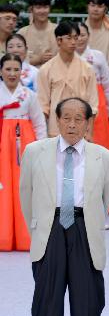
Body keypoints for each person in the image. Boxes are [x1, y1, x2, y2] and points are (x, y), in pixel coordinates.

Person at [20, 97, 109, 316]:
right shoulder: (35, 151)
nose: (72, 124)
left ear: (88, 123)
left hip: (84, 230)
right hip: (50, 232)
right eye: (66, 118)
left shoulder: (104, 157)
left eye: (79, 119)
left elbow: (106, 200)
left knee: (88, 305)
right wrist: (40, 228)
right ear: (57, 121)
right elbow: (27, 195)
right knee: (46, 305)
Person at [76, 22, 109, 215]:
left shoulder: (97, 57)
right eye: (76, 35)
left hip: (99, 111)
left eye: (83, 34)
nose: (79, 38)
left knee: (103, 156)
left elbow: (108, 85)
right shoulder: (68, 59)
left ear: (88, 36)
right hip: (75, 109)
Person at [0, 53, 47, 251]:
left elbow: (39, 124)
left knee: (24, 188)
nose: (12, 73)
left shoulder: (29, 95)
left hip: (23, 145)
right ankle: (4, 236)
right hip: (2, 144)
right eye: (8, 69)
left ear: (22, 71)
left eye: (16, 69)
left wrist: (42, 149)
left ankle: (24, 236)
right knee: (3, 188)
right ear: (1, 71)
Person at [36, 22, 99, 137]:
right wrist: (42, 134)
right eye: (69, 38)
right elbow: (43, 104)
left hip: (81, 126)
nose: (74, 42)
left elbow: (93, 103)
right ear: (59, 40)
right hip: (56, 126)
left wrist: (89, 132)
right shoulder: (46, 69)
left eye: (76, 37)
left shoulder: (87, 68)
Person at [18, 0, 56, 67]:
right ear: (31, 9)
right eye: (38, 7)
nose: (42, 11)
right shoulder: (22, 33)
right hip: (29, 76)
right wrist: (38, 59)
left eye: (45, 7)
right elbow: (17, 60)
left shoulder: (59, 30)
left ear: (49, 9)